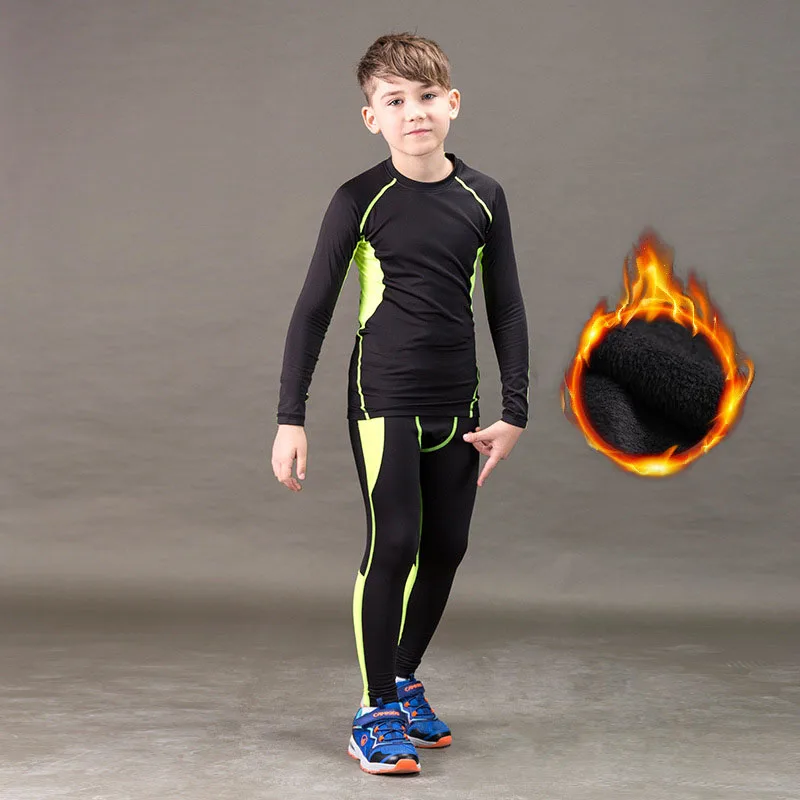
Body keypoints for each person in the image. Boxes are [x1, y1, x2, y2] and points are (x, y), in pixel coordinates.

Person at [271, 31, 530, 776]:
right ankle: (373, 709)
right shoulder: (360, 199)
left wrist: (514, 410)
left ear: (452, 103)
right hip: (383, 399)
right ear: (371, 118)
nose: (413, 112)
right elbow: (312, 311)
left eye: (426, 96)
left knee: (447, 548)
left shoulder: (484, 196)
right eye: (395, 101)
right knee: (395, 544)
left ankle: (404, 680)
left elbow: (507, 307)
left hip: (461, 401)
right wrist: (290, 418)